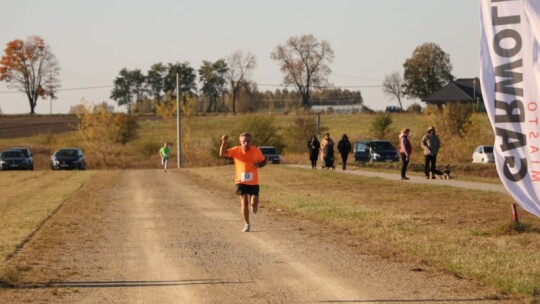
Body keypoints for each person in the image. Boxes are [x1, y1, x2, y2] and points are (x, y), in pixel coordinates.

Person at [220, 132, 267, 232]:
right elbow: (222, 154)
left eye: (248, 141)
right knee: (244, 202)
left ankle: (254, 205)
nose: (246, 143)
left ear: (251, 141)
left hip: (253, 182)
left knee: (253, 202)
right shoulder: (236, 150)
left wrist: (259, 165)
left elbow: (264, 161)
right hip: (240, 181)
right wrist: (224, 142)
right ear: (240, 142)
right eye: (244, 141)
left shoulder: (256, 150)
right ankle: (246, 223)